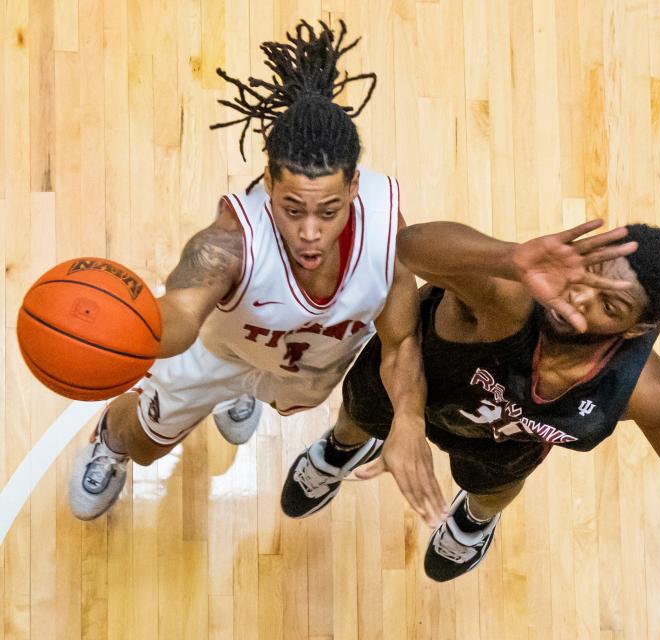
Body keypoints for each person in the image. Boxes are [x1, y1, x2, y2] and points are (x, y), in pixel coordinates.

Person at [280, 218, 660, 612]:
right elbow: (405, 247)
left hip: (503, 442)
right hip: (412, 379)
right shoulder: (509, 298)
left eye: (609, 304)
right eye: (586, 273)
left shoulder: (644, 388)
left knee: (494, 491)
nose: (576, 298)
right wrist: (508, 255)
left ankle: (473, 523)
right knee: (356, 419)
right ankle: (339, 452)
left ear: (637, 329)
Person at [68, 20, 446, 527]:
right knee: (144, 446)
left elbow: (399, 343)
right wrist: (124, 332)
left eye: (328, 211)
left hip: (300, 363)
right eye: (292, 209)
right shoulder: (228, 242)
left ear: (355, 186)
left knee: (275, 395)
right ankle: (109, 439)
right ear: (268, 181)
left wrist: (408, 417)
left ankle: (244, 393)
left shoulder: (385, 228)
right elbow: (181, 311)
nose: (310, 232)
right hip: (215, 353)